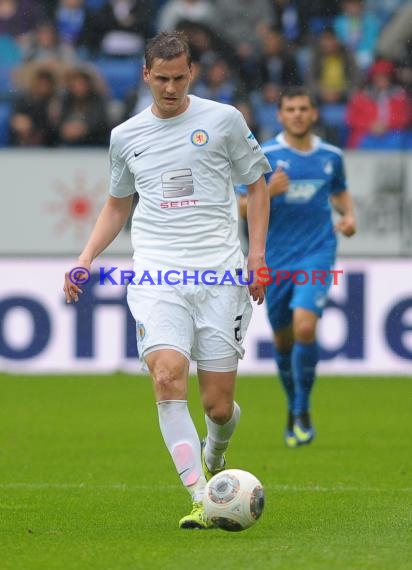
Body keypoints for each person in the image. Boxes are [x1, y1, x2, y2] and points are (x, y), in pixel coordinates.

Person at [63, 31, 270, 528]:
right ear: (145, 75)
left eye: (179, 78)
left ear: (192, 73)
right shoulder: (126, 136)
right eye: (162, 79)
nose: (171, 88)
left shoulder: (224, 121)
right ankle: (200, 496)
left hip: (220, 275)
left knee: (218, 407)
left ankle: (216, 454)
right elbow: (117, 205)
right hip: (157, 274)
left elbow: (257, 185)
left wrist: (257, 255)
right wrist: (86, 256)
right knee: (166, 375)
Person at [238, 86, 356, 448]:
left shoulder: (331, 156)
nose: (298, 114)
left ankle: (303, 408)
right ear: (280, 115)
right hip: (275, 257)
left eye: (304, 108)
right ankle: (294, 406)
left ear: (314, 113)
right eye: (291, 109)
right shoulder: (265, 155)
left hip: (317, 252)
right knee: (283, 339)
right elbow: (241, 206)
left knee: (306, 326)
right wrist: (268, 193)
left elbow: (338, 192)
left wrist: (349, 215)